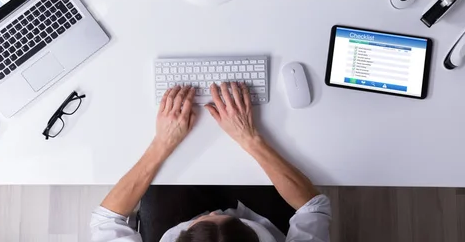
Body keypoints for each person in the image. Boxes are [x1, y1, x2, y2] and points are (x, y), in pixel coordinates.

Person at [90, 83, 331, 242]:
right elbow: (314, 207)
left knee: (163, 178)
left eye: (209, 217)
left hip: (173, 223)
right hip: (263, 219)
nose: (216, 211)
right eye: (223, 216)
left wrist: (162, 143)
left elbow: (106, 220)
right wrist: (249, 138)